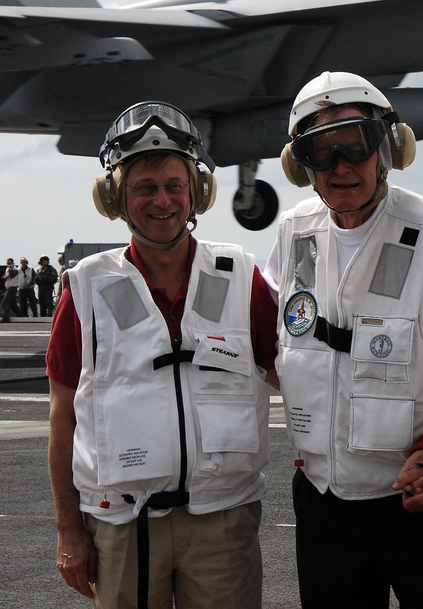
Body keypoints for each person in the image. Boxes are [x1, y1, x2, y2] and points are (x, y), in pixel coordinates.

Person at [46, 101, 279, 609]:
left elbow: (290, 373)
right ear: (115, 198)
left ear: (198, 192)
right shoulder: (86, 286)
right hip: (120, 525)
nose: (162, 201)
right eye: (144, 188)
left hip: (222, 520)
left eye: (175, 186)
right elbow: (62, 417)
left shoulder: (239, 275)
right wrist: (69, 531)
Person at [264, 71, 423, 608]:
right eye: (321, 151)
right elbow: (272, 336)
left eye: (356, 144)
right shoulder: (295, 232)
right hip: (324, 501)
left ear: (388, 148)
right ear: (301, 166)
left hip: (415, 500)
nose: (342, 167)